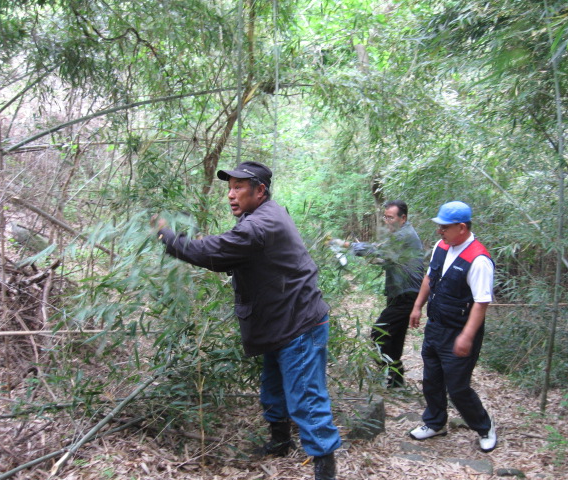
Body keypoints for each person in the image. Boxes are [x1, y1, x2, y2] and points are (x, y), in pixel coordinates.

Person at [151, 161, 341, 480]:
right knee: (273, 388)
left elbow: (211, 252)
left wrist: (167, 236)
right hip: (281, 322)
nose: (231, 194)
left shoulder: (260, 225)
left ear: (260, 191)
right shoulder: (264, 216)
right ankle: (280, 443)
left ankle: (325, 467)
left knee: (306, 397)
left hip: (299, 324)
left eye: (239, 187)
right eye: (229, 187)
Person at [408, 201, 497, 452]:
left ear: (461, 227)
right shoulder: (441, 246)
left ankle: (484, 426)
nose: (439, 231)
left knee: (457, 387)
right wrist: (417, 306)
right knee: (432, 379)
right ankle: (435, 423)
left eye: (444, 227)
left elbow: (481, 303)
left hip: (459, 332)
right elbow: (430, 277)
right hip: (436, 326)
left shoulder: (478, 259)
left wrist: (467, 336)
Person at [330, 200, 424, 388]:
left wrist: (345, 245)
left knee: (378, 332)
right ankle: (396, 380)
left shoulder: (404, 235)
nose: (387, 221)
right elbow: (386, 257)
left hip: (407, 293)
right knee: (395, 336)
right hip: (400, 292)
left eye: (390, 217)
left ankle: (383, 369)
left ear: (403, 218)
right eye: (385, 217)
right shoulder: (399, 234)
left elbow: (377, 250)